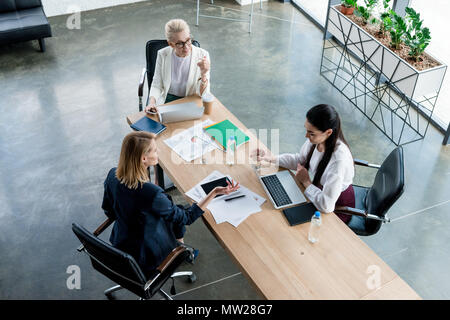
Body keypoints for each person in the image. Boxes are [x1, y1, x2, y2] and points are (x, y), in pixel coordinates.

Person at [101, 131, 239, 276]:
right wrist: (214, 192)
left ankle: (180, 247)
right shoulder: (151, 194)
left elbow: (109, 210)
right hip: (148, 256)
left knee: (171, 209)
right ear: (143, 158)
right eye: (155, 150)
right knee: (178, 212)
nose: (158, 151)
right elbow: (187, 218)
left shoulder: (113, 175)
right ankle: (179, 251)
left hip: (121, 243)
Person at [251, 104, 354, 224]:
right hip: (317, 192)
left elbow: (327, 206)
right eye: (306, 130)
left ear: (328, 132)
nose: (306, 136)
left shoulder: (338, 161)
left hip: (337, 207)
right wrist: (272, 158)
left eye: (311, 133)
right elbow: (300, 160)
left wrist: (306, 182)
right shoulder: (317, 139)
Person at [145, 19, 211, 113]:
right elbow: (157, 84)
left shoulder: (203, 55)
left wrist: (204, 74)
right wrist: (151, 103)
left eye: (188, 40)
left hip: (189, 101)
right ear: (171, 44)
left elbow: (203, 94)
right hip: (167, 101)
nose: (187, 47)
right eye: (180, 44)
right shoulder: (163, 54)